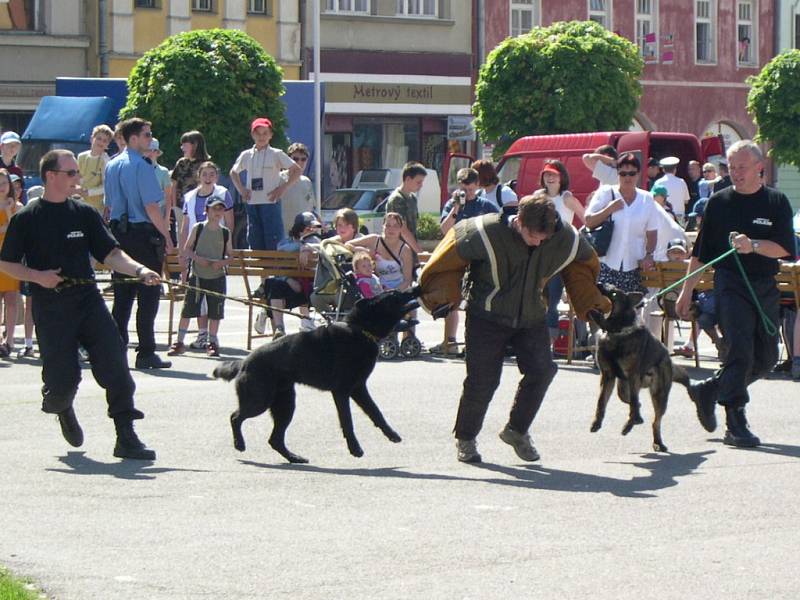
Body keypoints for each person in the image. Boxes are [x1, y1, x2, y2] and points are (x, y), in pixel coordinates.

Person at [418, 193, 610, 463]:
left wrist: (591, 304)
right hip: (486, 316)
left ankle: (516, 431)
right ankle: (466, 439)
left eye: (544, 237)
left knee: (543, 371)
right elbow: (446, 262)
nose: (539, 241)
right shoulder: (482, 231)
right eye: (534, 236)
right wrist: (440, 297)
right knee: (482, 381)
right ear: (518, 221)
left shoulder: (564, 237)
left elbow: (581, 267)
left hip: (532, 316)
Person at [0, 149, 158, 459]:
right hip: (51, 307)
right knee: (61, 383)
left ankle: (125, 436)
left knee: (115, 366)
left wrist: (140, 270)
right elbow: (6, 264)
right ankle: (61, 406)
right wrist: (36, 276)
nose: (78, 178)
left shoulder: (84, 213)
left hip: (88, 303)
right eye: (71, 173)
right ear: (51, 176)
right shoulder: (26, 218)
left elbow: (110, 254)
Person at [676, 140, 795, 448]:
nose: (736, 173)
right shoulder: (719, 202)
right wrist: (686, 291)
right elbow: (700, 253)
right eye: (731, 168)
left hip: (764, 285)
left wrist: (753, 244)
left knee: (767, 358)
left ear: (760, 168)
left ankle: (710, 390)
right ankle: (735, 419)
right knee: (739, 348)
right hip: (730, 284)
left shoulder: (777, 202)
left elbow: (784, 248)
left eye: (742, 167)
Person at [104, 117, 174, 370]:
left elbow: (109, 204)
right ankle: (146, 351)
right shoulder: (142, 166)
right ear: (133, 138)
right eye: (146, 135)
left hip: (119, 233)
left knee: (122, 295)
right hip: (143, 233)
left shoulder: (112, 165)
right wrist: (166, 236)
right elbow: (151, 206)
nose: (149, 138)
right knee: (149, 293)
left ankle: (115, 349)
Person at [434, 167, 499, 354]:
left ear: (478, 185)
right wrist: (456, 207)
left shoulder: (486, 206)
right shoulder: (452, 205)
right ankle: (450, 341)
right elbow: (445, 230)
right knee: (453, 298)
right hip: (456, 257)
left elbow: (498, 227)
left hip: (479, 259)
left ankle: (475, 341)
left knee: (475, 301)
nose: (468, 194)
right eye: (465, 190)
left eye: (471, 190)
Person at [178, 161, 235, 347]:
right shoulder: (190, 197)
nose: (208, 178)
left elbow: (230, 223)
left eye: (212, 174)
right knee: (196, 298)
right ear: (199, 176)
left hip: (216, 251)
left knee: (213, 297)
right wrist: (183, 253)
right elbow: (185, 226)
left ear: (216, 177)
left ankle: (211, 337)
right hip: (196, 251)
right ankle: (201, 334)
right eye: (205, 174)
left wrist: (224, 249)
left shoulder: (222, 194)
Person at [585, 153, 660, 295]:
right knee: (605, 310)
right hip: (606, 263)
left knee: (630, 313)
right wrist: (609, 209)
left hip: (633, 265)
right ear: (617, 175)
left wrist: (649, 255)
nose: (627, 178)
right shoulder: (606, 192)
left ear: (638, 175)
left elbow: (652, 232)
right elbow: (588, 221)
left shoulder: (647, 198)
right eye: (623, 174)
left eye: (631, 173)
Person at [168, 197, 233, 358]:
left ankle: (212, 342)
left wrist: (222, 263)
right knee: (188, 310)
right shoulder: (198, 228)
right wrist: (198, 259)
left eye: (220, 209)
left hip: (217, 276)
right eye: (214, 209)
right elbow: (187, 249)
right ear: (207, 210)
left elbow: (230, 256)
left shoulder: (225, 232)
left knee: (215, 312)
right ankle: (179, 342)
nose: (218, 212)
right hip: (197, 275)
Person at [230, 117, 301, 252]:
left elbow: (296, 170)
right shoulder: (246, 155)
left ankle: (276, 273)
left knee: (274, 244)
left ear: (270, 135)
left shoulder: (276, 153)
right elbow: (233, 172)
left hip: (270, 203)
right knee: (255, 243)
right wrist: (242, 190)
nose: (261, 136)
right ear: (252, 135)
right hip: (252, 203)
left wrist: (282, 188)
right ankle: (261, 273)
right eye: (258, 133)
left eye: (265, 133)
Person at [535, 160, 586, 345]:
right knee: (537, 300)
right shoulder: (537, 197)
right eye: (547, 174)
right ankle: (536, 341)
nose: (550, 178)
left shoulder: (566, 198)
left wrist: (574, 239)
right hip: (538, 254)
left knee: (553, 302)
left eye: (554, 175)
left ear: (561, 178)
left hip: (560, 257)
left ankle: (549, 344)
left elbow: (586, 219)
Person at [264, 211, 322, 339]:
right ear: (299, 228)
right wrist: (301, 245)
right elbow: (281, 249)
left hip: (308, 289)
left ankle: (265, 312)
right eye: (308, 227)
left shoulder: (314, 240)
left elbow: (321, 246)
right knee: (274, 284)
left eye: (313, 227)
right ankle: (280, 329)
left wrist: (306, 246)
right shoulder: (287, 242)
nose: (312, 230)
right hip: (289, 285)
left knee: (271, 286)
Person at [348, 212, 415, 292]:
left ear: (400, 229)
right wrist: (366, 252)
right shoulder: (373, 240)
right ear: (383, 226)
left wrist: (393, 292)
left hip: (399, 288)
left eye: (395, 226)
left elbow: (407, 280)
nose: (391, 229)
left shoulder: (405, 249)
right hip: (377, 287)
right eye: (388, 225)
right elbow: (348, 244)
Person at [169, 130, 210, 246]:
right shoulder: (181, 163)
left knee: (198, 233)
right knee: (182, 234)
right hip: (180, 205)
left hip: (199, 205)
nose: (182, 148)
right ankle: (183, 259)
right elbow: (174, 183)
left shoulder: (205, 164)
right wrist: (173, 204)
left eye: (185, 145)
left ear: (195, 144)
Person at [0, 168, 22, 357]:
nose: (1, 187)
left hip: (10, 258)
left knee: (11, 300)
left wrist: (8, 210)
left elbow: (15, 229)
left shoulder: (17, 206)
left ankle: (10, 339)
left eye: (4, 183)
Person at [385, 161, 426, 253]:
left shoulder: (413, 198)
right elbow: (403, 229)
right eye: (418, 182)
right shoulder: (397, 199)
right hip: (398, 251)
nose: (421, 185)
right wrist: (419, 252)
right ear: (407, 179)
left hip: (410, 250)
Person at [279, 142, 316, 233]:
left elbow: (310, 209)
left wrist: (319, 226)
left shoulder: (307, 182)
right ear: (288, 159)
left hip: (302, 234)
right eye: (295, 159)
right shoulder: (278, 178)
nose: (299, 162)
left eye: (303, 159)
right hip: (282, 233)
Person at [77, 124, 113, 216]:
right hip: (79, 203)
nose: (101, 142)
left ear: (107, 144)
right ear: (92, 138)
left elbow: (107, 187)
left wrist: (88, 192)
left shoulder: (105, 160)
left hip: (97, 208)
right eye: (99, 138)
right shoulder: (81, 156)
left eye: (105, 141)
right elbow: (78, 177)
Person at [654, 156, 691, 224]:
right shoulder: (681, 182)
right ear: (675, 169)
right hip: (679, 217)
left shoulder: (658, 183)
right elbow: (686, 201)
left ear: (663, 170)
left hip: (664, 216)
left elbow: (654, 201)